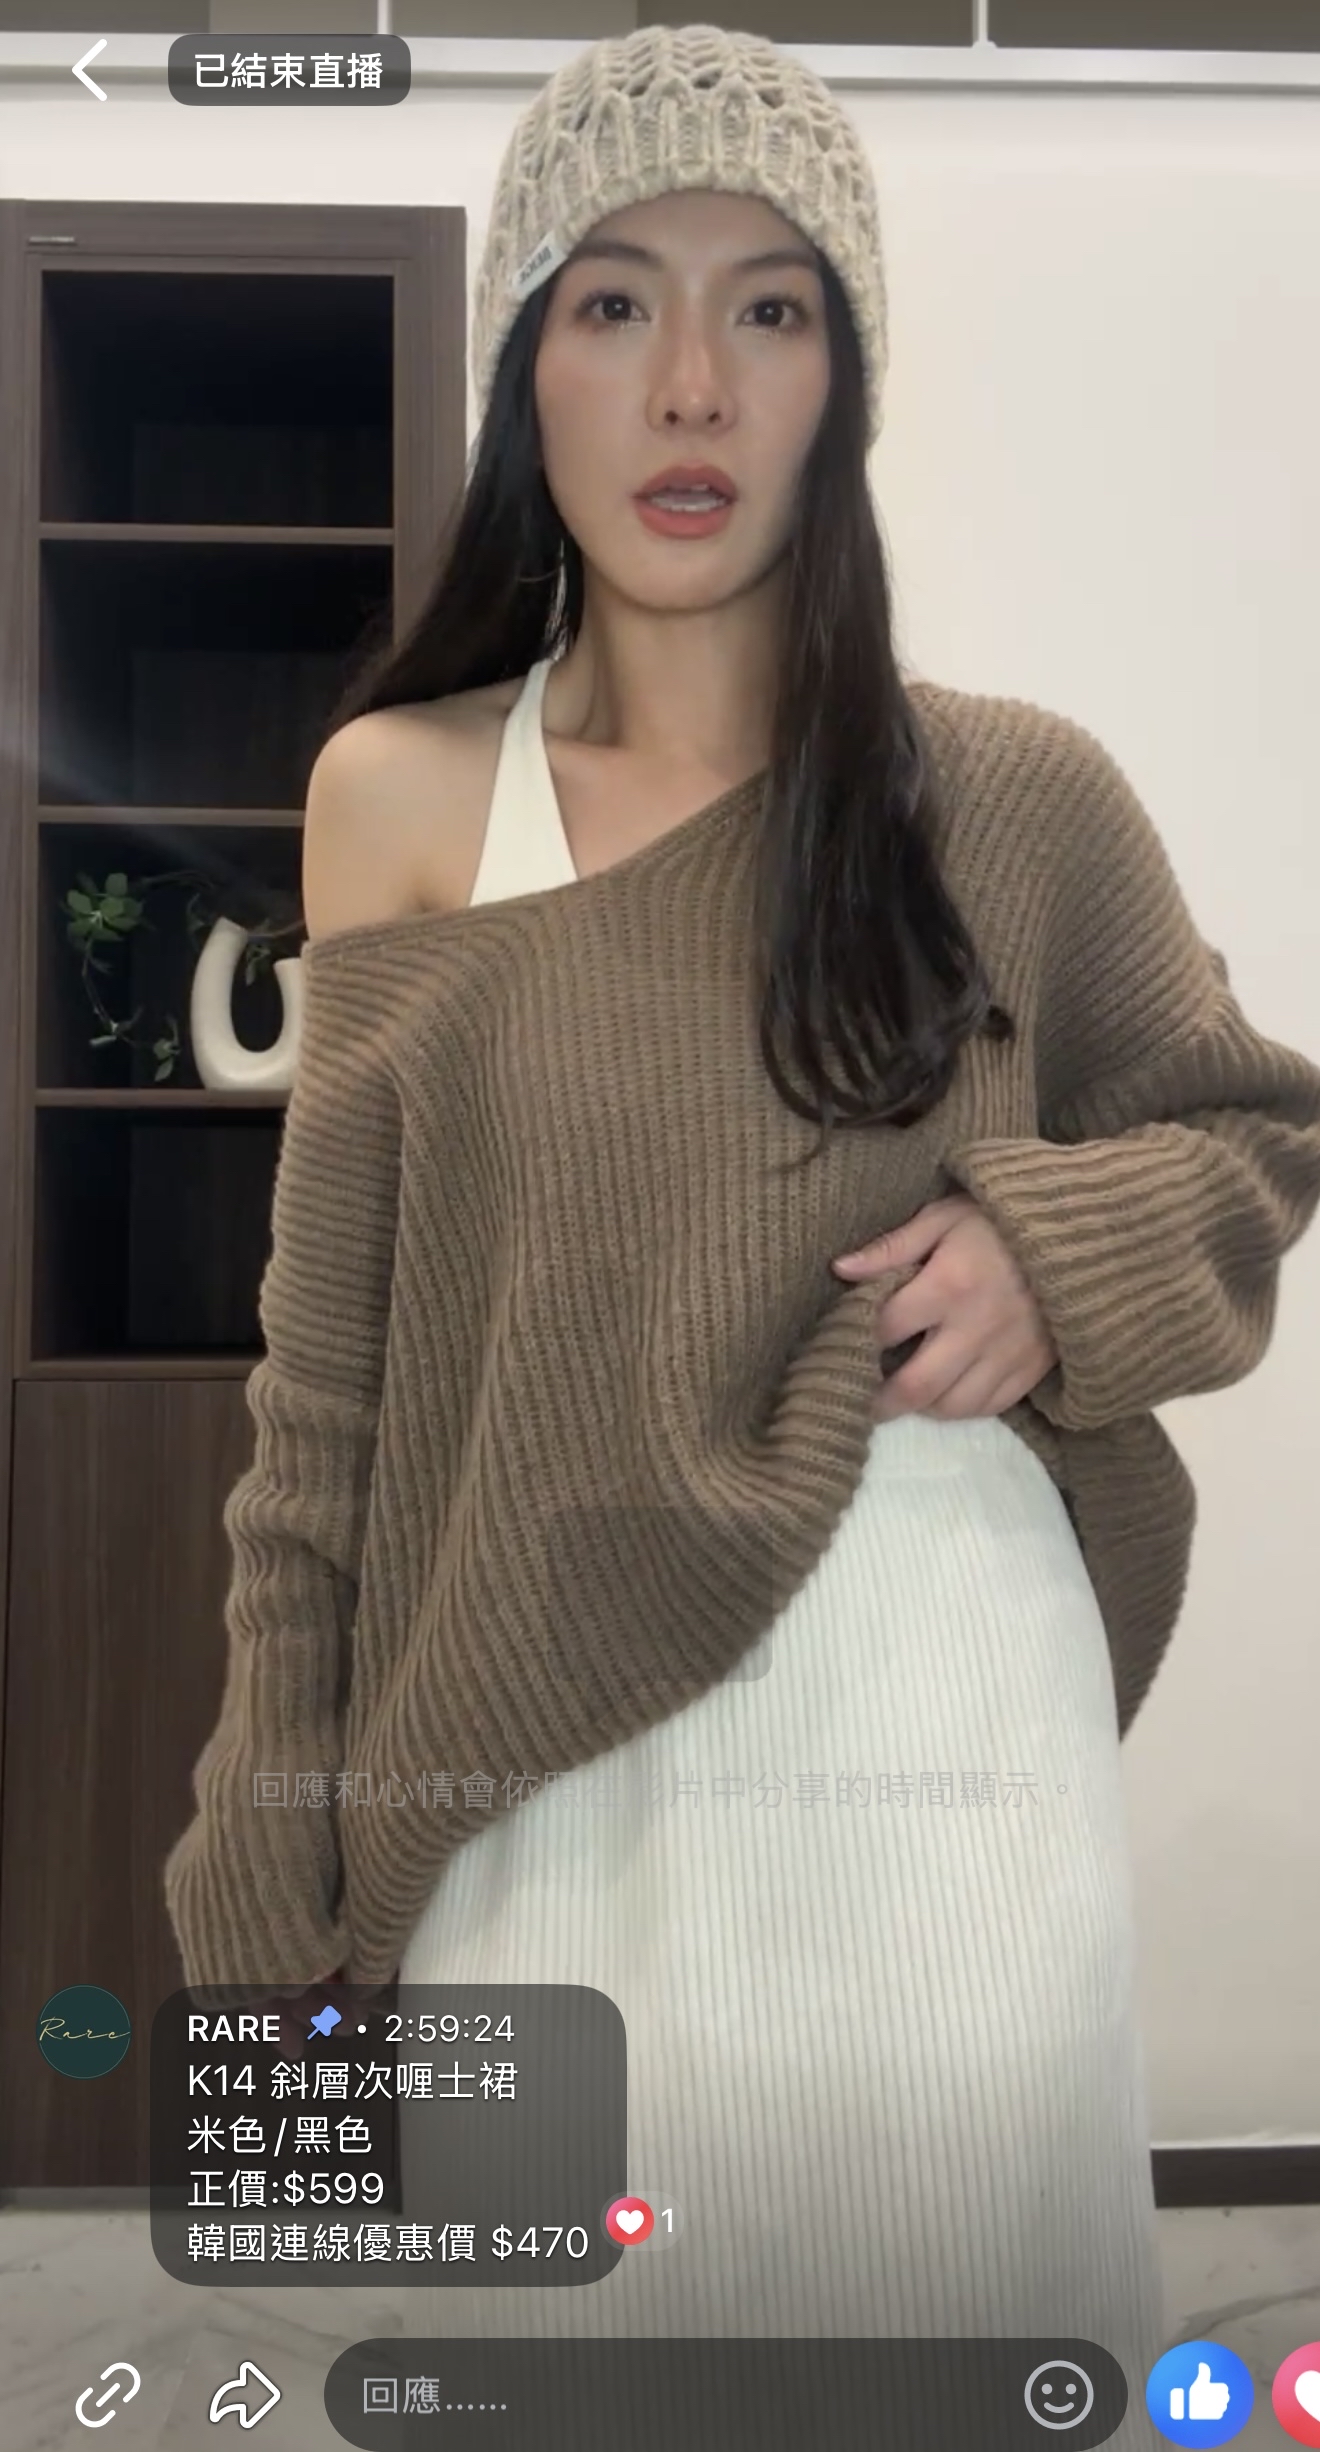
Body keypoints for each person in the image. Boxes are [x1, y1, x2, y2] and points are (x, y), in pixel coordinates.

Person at [165, 21, 1320, 2436]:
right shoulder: (397, 794)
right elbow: (331, 1387)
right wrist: (267, 1837)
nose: (690, 381)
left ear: (841, 377)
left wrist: (1050, 1246)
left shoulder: (1014, 796)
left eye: (770, 305)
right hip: (528, 1742)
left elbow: (1252, 1132)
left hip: (940, 1712)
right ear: (528, 363)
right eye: (613, 300)